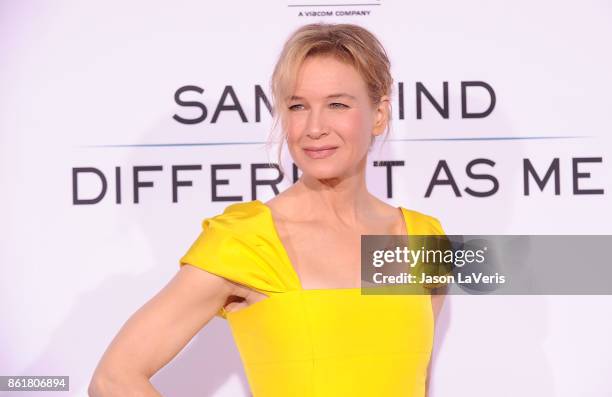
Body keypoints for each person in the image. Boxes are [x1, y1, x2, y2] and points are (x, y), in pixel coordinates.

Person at [88, 22, 447, 397]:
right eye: (297, 106)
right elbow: (113, 379)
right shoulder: (249, 240)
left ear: (379, 114)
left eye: (337, 104)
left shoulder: (422, 237)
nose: (314, 127)